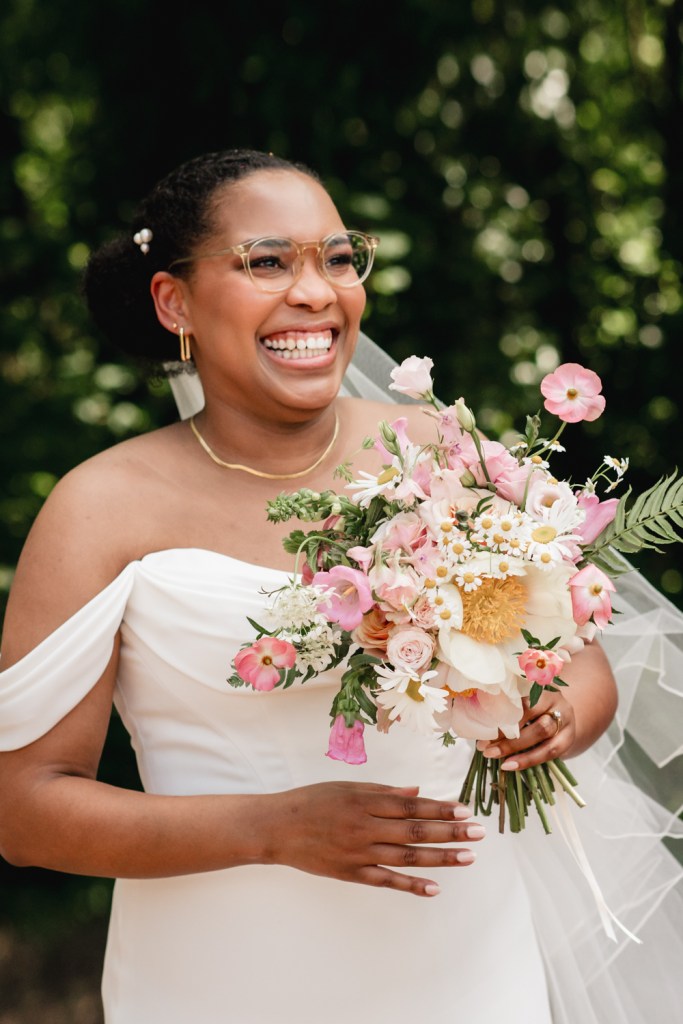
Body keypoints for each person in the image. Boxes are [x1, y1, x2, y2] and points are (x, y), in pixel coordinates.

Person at [0, 149, 681, 1023]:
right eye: (268, 261)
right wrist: (270, 828)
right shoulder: (99, 508)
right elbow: (25, 810)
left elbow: (574, 656)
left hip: (465, 950)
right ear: (174, 301)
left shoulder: (438, 452)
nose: (316, 291)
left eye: (336, 257)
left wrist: (562, 717)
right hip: (220, 972)